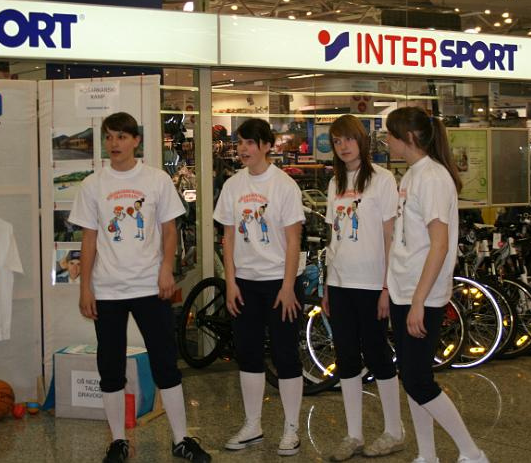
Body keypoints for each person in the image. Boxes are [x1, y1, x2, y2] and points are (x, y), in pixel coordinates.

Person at [69, 112, 211, 463]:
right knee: (110, 367)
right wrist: (85, 289)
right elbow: (89, 240)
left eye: (121, 136)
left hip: (150, 286)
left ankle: (181, 439)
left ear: (136, 140)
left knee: (165, 363)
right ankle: (118, 440)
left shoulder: (156, 179)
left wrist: (166, 270)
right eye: (108, 137)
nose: (114, 143)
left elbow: (169, 231)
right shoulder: (92, 185)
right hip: (108, 289)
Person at [385, 107, 488, 463]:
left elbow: (440, 245)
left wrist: (419, 301)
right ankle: (427, 455)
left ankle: (471, 452)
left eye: (390, 135)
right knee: (412, 377)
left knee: (418, 380)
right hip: (404, 289)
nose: (387, 141)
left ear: (408, 138)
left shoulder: (432, 177)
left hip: (422, 294)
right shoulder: (413, 175)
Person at [213, 118, 306, 457]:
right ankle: (253, 425)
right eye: (240, 142)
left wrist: (288, 286)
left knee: (284, 354)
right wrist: (231, 282)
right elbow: (228, 237)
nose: (243, 149)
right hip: (245, 284)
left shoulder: (284, 186)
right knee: (248, 353)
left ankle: (291, 428)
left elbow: (293, 240)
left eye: (250, 143)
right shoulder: (232, 185)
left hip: (280, 282)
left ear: (267, 146)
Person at [322, 115, 404, 462]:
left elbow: (390, 236)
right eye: (337, 141)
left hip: (372, 284)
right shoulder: (334, 183)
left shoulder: (383, 180)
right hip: (340, 283)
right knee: (346, 358)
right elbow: (334, 239)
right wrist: (328, 286)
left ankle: (394, 430)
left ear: (361, 141)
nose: (343, 146)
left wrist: (386, 286)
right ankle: (353, 434)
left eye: (348, 139)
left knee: (377, 354)